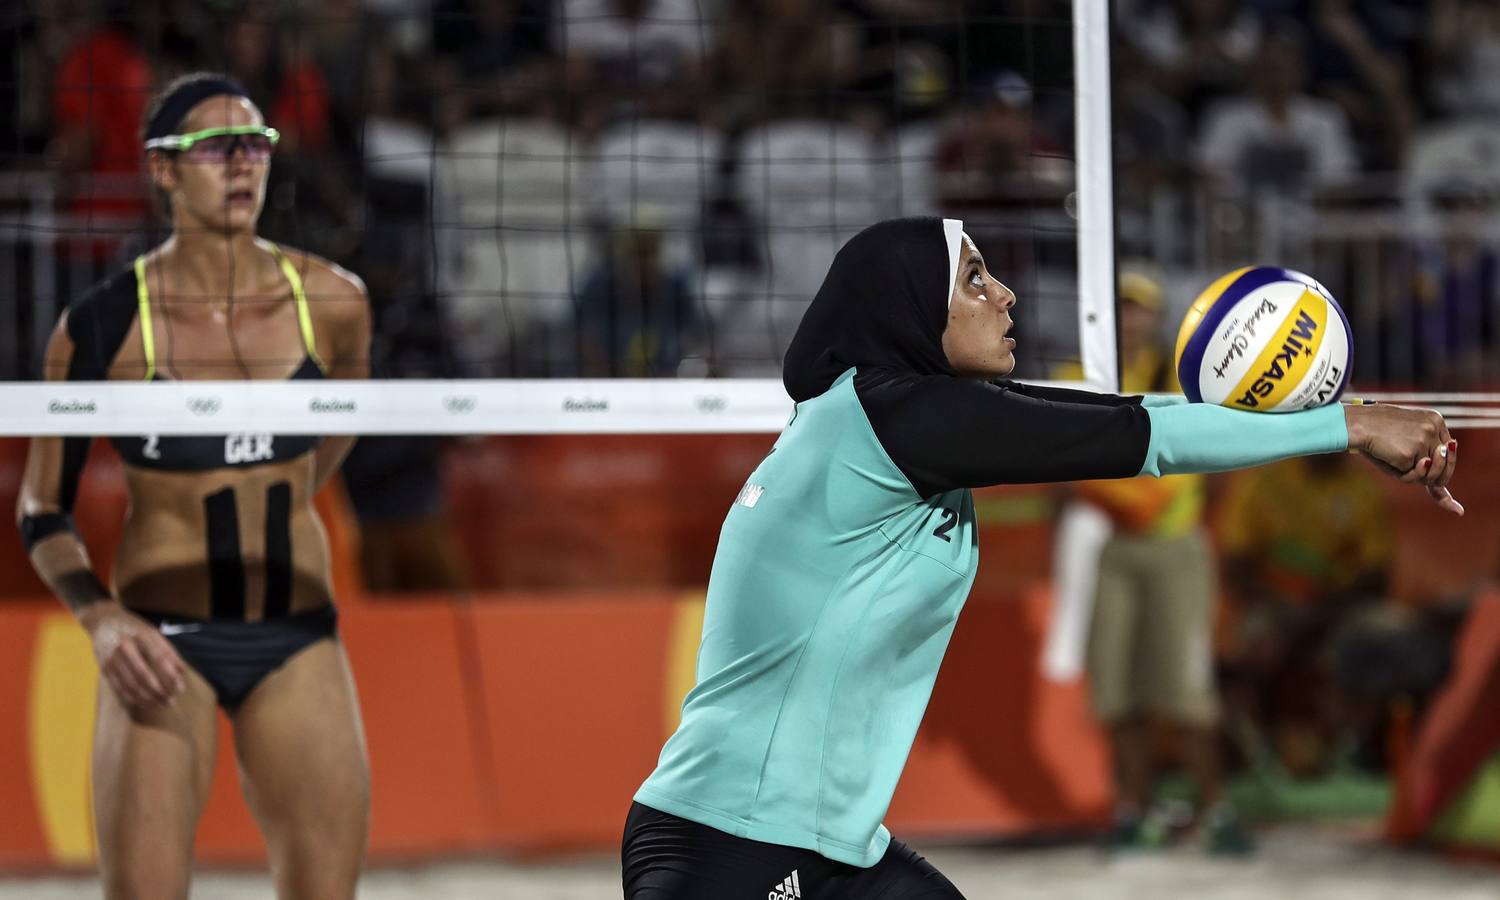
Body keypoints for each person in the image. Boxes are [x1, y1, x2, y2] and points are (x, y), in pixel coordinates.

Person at [620, 216, 1461, 899]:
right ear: (912, 308)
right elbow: (1142, 436)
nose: (1006, 294)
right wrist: (1349, 423)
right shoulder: (885, 422)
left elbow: (1129, 412)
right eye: (975, 279)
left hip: (835, 848)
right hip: (730, 846)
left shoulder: (896, 419)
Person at [16, 73, 372, 900]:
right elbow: (42, 507)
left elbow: (348, 416)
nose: (243, 165)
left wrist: (276, 478)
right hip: (159, 640)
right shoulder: (104, 326)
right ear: (163, 171)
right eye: (215, 148)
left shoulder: (334, 303)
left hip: (296, 632)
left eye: (256, 145)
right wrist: (99, 621)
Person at [1056, 272, 1245, 853]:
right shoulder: (1072, 379)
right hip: (1114, 549)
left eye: (1138, 308)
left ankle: (1216, 814)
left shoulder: (1188, 379)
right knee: (1119, 694)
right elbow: (1061, 470)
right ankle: (1132, 813)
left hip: (1174, 547)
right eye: (1120, 308)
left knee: (1188, 695)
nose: (1129, 318)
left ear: (1156, 318)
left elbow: (1215, 468)